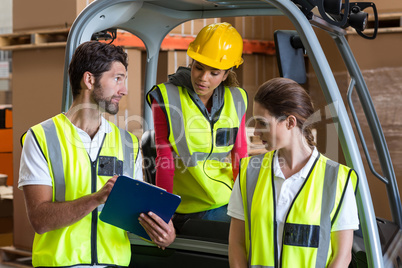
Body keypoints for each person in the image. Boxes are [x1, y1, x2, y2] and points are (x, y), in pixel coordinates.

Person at [18, 41, 175, 267]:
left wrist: (162, 233)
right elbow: (40, 220)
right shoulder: (42, 138)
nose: (124, 90)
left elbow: (136, 216)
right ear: (90, 80)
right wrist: (96, 198)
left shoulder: (128, 143)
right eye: (117, 78)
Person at [228, 77, 359, 268]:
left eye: (262, 123)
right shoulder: (249, 172)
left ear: (290, 122)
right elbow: (237, 244)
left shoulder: (338, 179)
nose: (255, 131)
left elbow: (342, 256)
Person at [146, 22, 248, 232]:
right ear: (191, 62)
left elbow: (240, 155)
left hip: (224, 201)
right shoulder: (166, 96)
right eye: (198, 67)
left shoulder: (237, 98)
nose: (203, 78)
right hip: (187, 206)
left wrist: (245, 203)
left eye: (214, 73)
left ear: (226, 74)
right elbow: (164, 159)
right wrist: (163, 212)